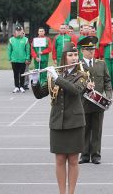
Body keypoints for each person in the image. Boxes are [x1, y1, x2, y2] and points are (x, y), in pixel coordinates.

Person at [30, 42, 88, 194]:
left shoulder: (82, 74)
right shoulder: (54, 74)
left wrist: (57, 78)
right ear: (64, 57)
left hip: (75, 123)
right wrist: (35, 81)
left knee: (74, 160)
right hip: (57, 122)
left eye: (75, 55)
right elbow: (40, 94)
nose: (74, 58)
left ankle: (71, 192)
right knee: (60, 160)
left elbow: (75, 90)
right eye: (70, 55)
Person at [78, 36, 112, 165]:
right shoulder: (78, 65)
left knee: (97, 130)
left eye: (93, 49)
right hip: (83, 101)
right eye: (88, 49)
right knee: (85, 129)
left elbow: (107, 81)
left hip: (98, 102)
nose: (91, 51)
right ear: (82, 50)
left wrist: (108, 95)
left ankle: (96, 155)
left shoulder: (101, 64)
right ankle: (85, 154)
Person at [7, 25, 30, 93]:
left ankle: (22, 86)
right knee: (15, 74)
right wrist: (10, 58)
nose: (19, 32)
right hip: (14, 59)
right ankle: (16, 86)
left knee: (22, 74)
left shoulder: (25, 39)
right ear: (15, 32)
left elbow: (27, 50)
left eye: (20, 31)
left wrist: (27, 58)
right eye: (17, 31)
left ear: (22, 31)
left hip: (22, 60)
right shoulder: (11, 40)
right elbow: (9, 50)